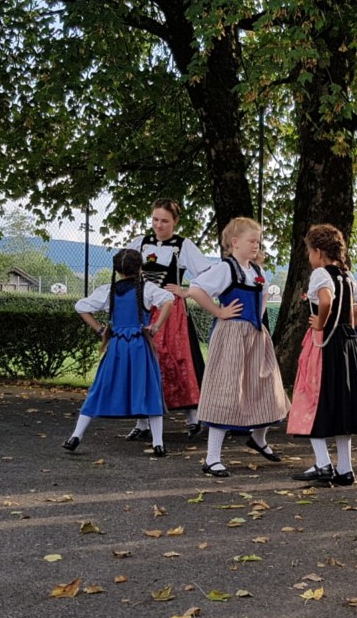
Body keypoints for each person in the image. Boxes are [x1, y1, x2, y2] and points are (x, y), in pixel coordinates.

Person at [187, 218, 290, 478]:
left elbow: (263, 296)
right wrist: (219, 311)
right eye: (251, 241)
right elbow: (196, 289)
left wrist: (258, 319)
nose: (256, 245)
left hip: (255, 335)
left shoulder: (256, 270)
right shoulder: (225, 268)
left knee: (267, 387)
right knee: (227, 391)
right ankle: (212, 458)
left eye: (258, 241)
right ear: (235, 242)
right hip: (232, 336)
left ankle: (258, 438)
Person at [288, 224, 357, 487]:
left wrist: (321, 323)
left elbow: (326, 301)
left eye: (309, 252)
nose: (309, 257)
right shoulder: (346, 276)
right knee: (341, 404)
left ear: (318, 252)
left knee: (311, 399)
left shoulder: (320, 274)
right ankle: (345, 469)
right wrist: (347, 324)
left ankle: (323, 463)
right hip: (347, 346)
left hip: (325, 346)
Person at [63, 249, 174, 455]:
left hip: (117, 346)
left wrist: (100, 330)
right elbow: (168, 300)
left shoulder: (108, 290)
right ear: (140, 268)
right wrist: (156, 326)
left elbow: (81, 307)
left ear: (116, 270)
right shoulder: (147, 288)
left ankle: (75, 436)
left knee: (100, 387)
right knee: (149, 389)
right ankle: (158, 443)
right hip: (140, 346)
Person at [125, 199, 211, 441]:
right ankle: (142, 422)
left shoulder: (183, 246)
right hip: (143, 309)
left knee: (178, 360)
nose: (159, 225)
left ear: (175, 221)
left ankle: (193, 419)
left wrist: (186, 291)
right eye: (155, 219)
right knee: (142, 361)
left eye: (164, 220)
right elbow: (123, 268)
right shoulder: (140, 244)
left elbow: (208, 273)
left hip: (171, 313)